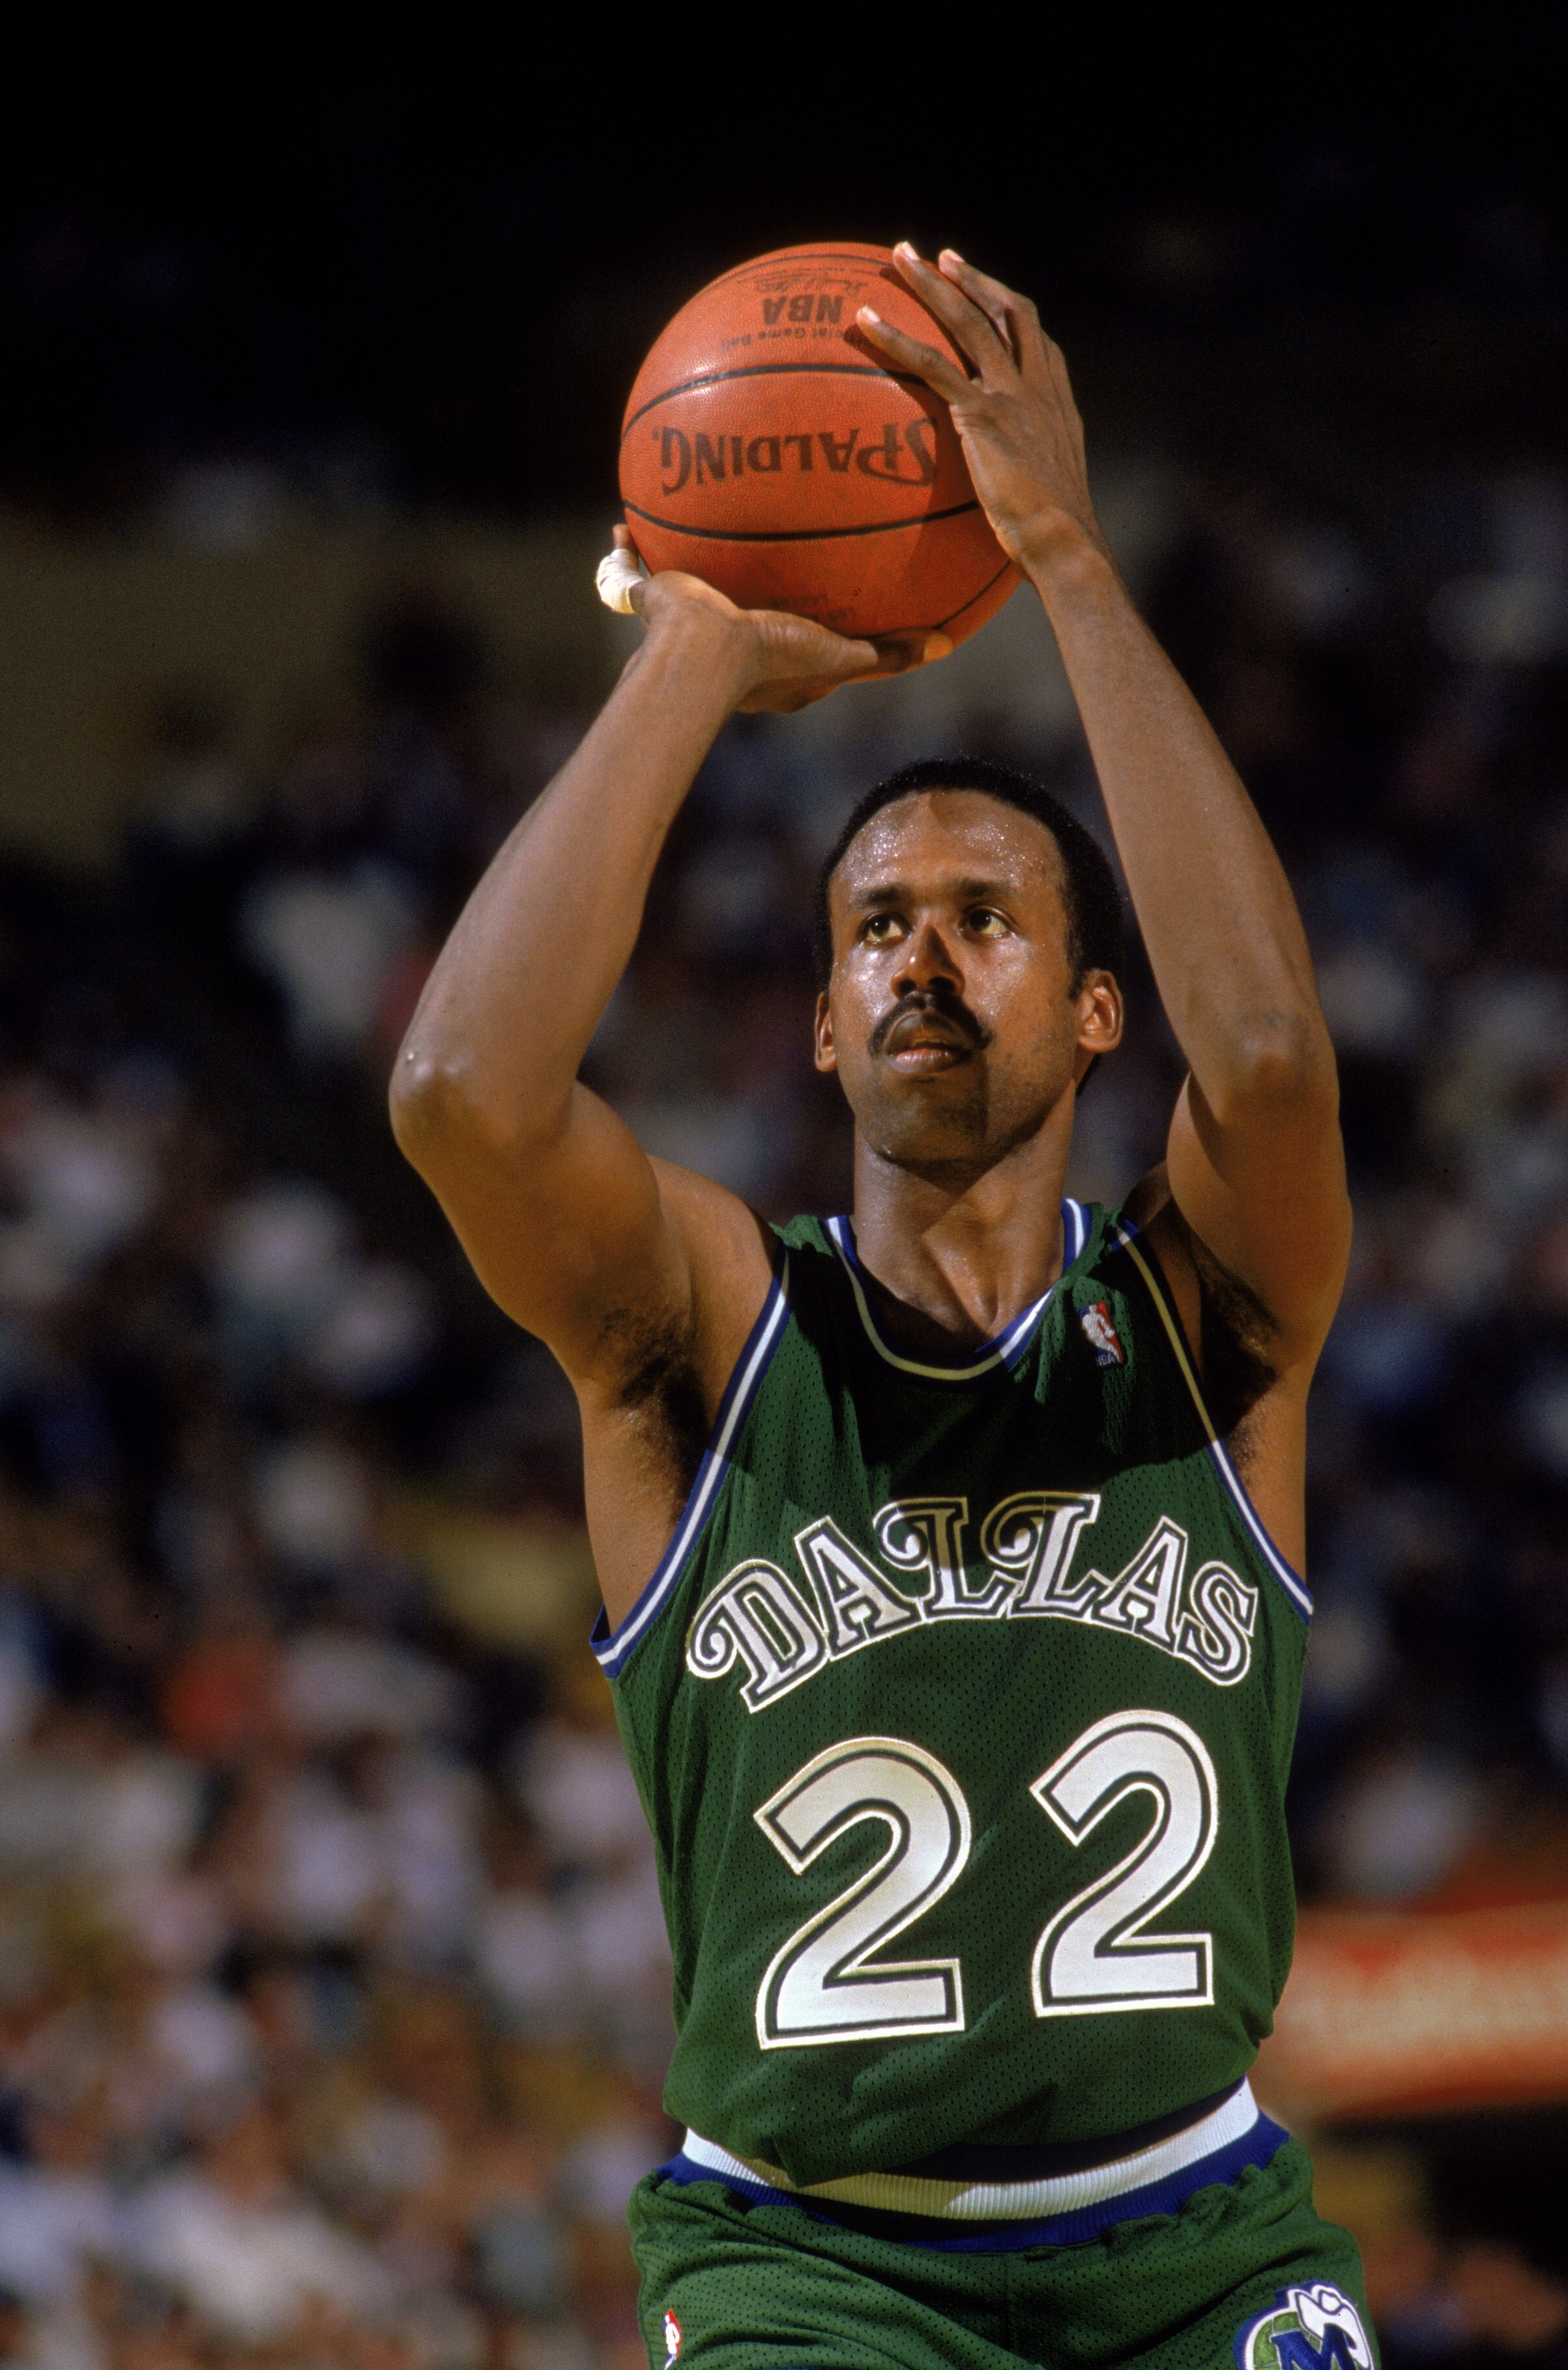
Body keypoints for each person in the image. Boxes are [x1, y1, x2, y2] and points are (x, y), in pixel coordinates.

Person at [390, 244, 1368, 2370]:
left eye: (988, 917)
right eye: (877, 927)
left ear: (1096, 1009)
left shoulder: (1206, 1319)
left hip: (1201, 2243)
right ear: (825, 1023)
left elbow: (1272, 1060)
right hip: (814, 2268)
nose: (924, 956)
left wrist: (1066, 558)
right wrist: (697, 643)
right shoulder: (703, 1336)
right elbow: (463, 1091)